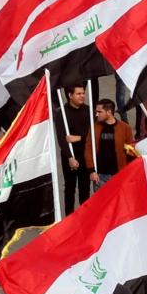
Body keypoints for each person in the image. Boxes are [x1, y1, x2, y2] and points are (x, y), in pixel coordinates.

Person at [85, 98, 134, 191]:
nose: (96, 114)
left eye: (100, 112)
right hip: (100, 176)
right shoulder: (94, 128)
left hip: (119, 175)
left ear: (109, 112)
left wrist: (129, 172)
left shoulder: (125, 128)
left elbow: (131, 151)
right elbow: (88, 149)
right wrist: (91, 171)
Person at [56, 85, 91, 214]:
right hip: (69, 157)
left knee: (84, 188)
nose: (82, 96)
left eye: (83, 93)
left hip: (85, 155)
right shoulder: (62, 113)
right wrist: (70, 157)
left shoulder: (88, 110)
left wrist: (79, 138)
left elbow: (91, 134)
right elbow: (61, 138)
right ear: (70, 95)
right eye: (78, 94)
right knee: (70, 189)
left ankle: (85, 217)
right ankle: (69, 217)